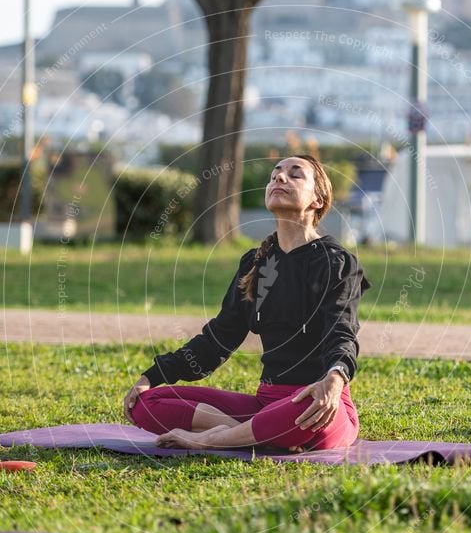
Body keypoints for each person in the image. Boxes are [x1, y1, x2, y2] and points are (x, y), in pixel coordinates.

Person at [123, 154, 371, 452]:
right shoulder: (256, 262)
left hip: (316, 401)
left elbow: (342, 332)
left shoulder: (337, 263)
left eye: (295, 174)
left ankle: (212, 440)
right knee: (147, 403)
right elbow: (218, 339)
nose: (279, 178)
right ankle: (251, 433)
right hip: (266, 404)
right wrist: (152, 376)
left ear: (318, 199)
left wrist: (335, 377)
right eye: (275, 174)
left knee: (304, 413)